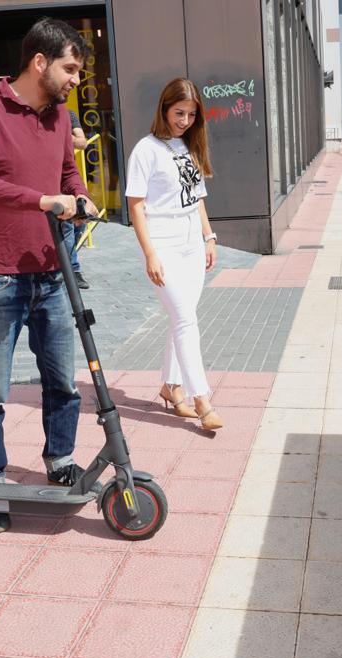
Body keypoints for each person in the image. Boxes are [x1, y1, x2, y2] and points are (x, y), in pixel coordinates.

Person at [0, 18, 97, 533]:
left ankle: (60, 460)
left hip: (52, 270)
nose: (75, 80)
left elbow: (66, 172)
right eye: (70, 69)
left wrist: (79, 196)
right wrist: (42, 201)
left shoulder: (60, 116)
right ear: (40, 62)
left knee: (63, 382)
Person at [125, 78, 223, 431]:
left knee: (183, 317)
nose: (185, 120)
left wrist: (209, 237)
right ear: (164, 109)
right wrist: (149, 253)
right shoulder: (146, 150)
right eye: (179, 112)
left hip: (192, 245)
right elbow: (136, 206)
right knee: (184, 320)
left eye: (191, 114)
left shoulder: (189, 145)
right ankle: (202, 400)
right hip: (162, 245)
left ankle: (170, 386)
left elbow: (197, 198)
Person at [63, 109, 92, 289]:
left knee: (78, 224)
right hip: (51, 181)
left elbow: (82, 142)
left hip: (68, 176)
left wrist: (61, 135)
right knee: (67, 226)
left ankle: (70, 267)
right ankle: (71, 270)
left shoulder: (68, 114)